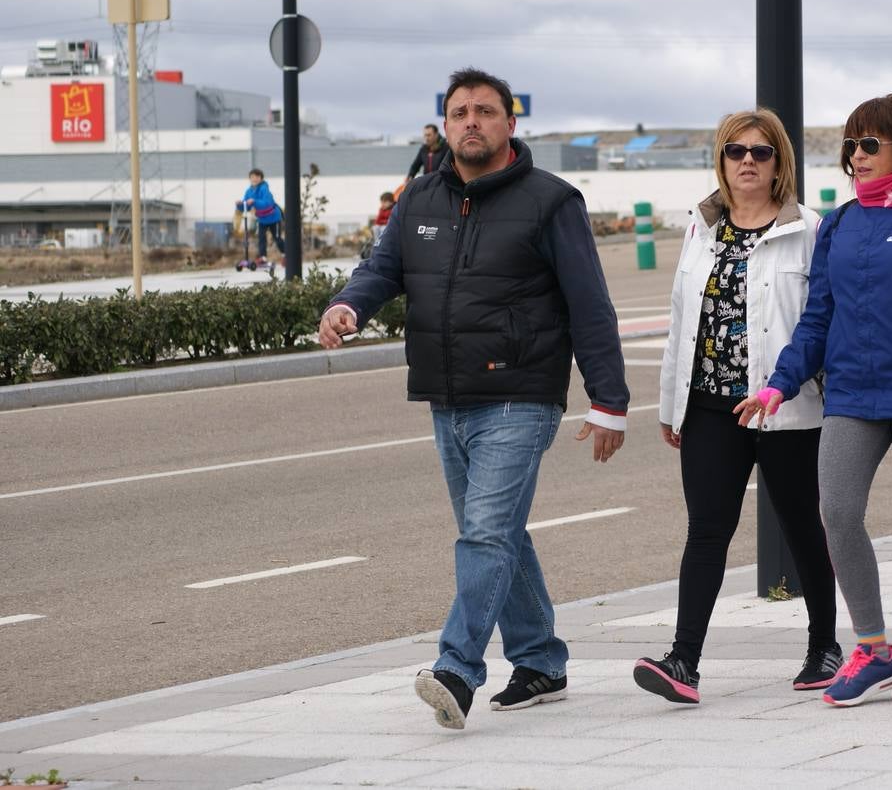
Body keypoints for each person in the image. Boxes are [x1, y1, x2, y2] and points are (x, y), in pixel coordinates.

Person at [318, 67, 629, 730]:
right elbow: (381, 269)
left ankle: (457, 670)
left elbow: (590, 306)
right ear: (445, 122)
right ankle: (542, 661)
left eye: (485, 111)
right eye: (459, 111)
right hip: (446, 394)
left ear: (510, 123)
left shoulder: (551, 201)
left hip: (521, 392)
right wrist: (349, 305)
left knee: (484, 532)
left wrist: (609, 401)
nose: (471, 122)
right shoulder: (420, 200)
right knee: (501, 533)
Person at [736, 93, 892, 708]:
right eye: (851, 144)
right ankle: (872, 649)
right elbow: (817, 319)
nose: (857, 155)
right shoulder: (839, 224)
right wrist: (779, 382)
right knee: (837, 513)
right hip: (851, 392)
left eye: (871, 143)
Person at [634, 109, 840, 705]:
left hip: (786, 408)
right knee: (706, 530)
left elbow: (824, 323)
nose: (746, 160)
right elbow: (681, 323)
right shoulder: (701, 230)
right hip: (710, 409)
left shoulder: (810, 230)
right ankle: (683, 661)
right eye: (734, 151)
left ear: (780, 163)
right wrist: (671, 405)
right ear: (720, 161)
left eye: (760, 151)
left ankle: (824, 646)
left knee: (803, 527)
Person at [237, 168, 284, 263]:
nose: (254, 179)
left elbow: (267, 203)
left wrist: (254, 201)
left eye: (257, 177)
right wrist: (240, 205)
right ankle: (263, 257)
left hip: (274, 218)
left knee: (277, 238)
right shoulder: (249, 191)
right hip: (262, 219)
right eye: (252, 177)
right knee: (261, 239)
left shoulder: (264, 189)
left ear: (261, 178)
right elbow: (247, 206)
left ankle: (286, 255)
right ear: (249, 178)